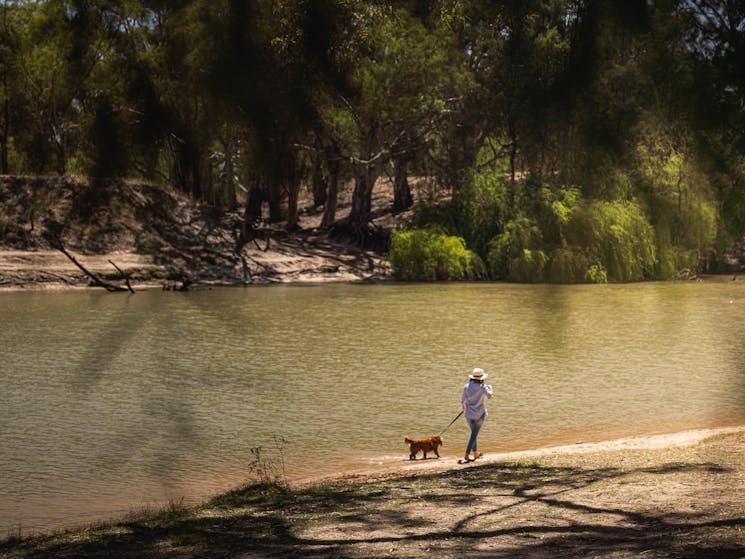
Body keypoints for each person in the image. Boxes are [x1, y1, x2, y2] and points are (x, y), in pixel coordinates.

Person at [461, 367, 493, 462]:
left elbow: (463, 401)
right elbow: (490, 396)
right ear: (481, 378)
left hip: (469, 414)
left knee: (473, 434)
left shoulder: (466, 386)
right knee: (474, 435)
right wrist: (491, 388)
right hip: (479, 414)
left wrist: (464, 408)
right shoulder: (483, 387)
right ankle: (466, 454)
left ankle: (475, 453)